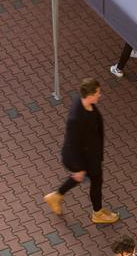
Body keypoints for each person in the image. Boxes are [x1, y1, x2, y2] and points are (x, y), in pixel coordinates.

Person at [44, 77, 118, 225]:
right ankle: (97, 214)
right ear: (89, 95)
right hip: (86, 158)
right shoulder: (76, 119)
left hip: (90, 154)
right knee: (95, 181)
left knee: (83, 178)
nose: (100, 95)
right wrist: (78, 168)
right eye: (97, 93)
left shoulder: (86, 103)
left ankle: (55, 196)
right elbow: (72, 144)